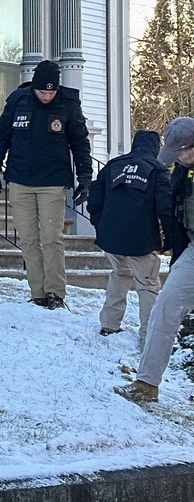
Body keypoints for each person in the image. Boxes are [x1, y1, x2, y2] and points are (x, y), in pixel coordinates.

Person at [0, 60, 92, 309]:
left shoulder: (68, 104)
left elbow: (80, 143)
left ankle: (56, 293)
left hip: (53, 181)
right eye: (42, 91)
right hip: (20, 179)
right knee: (28, 238)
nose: (46, 96)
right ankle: (38, 293)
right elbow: (2, 137)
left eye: (51, 92)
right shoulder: (17, 101)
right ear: (34, 87)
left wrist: (85, 178)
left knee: (51, 237)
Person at [116, 117, 194, 403]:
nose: (177, 160)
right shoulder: (181, 172)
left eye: (180, 153)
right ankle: (147, 384)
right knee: (165, 307)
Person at [89, 130, 172, 349]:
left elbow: (94, 199)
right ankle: (148, 335)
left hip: (111, 236)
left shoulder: (113, 166)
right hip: (141, 239)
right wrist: (170, 239)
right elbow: (166, 208)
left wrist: (99, 226)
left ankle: (109, 324)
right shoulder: (157, 169)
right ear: (156, 147)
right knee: (147, 284)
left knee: (119, 274)